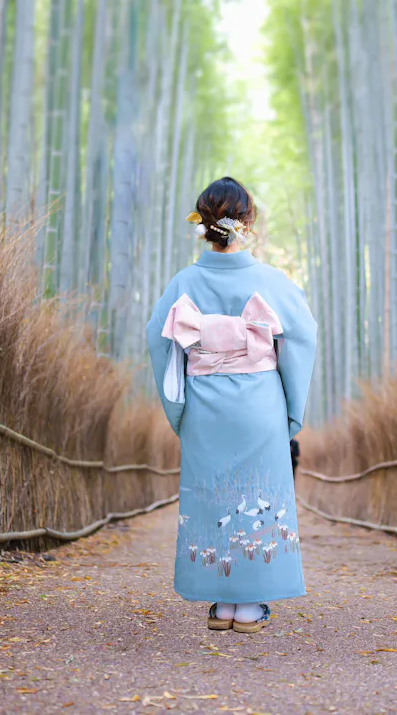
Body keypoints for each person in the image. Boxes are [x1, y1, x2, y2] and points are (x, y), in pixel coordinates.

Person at [145, 177, 318, 634]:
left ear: (203, 223)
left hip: (205, 402)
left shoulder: (185, 281)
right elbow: (301, 338)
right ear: (248, 222)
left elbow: (157, 338)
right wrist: (291, 411)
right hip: (259, 402)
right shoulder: (272, 281)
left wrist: (178, 408)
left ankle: (222, 603)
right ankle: (251, 603)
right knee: (259, 495)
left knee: (211, 495)